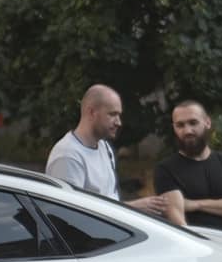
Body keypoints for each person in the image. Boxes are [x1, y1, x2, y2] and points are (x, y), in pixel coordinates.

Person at [46, 85, 187, 225]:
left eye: (119, 115)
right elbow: (67, 216)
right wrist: (133, 207)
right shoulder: (68, 156)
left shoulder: (104, 147)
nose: (119, 122)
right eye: (112, 114)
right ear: (91, 112)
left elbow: (108, 200)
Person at [153, 99, 222, 232]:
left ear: (207, 122)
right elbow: (178, 222)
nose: (187, 130)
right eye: (180, 125)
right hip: (195, 248)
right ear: (174, 128)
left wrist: (196, 205)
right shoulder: (165, 169)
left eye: (193, 123)